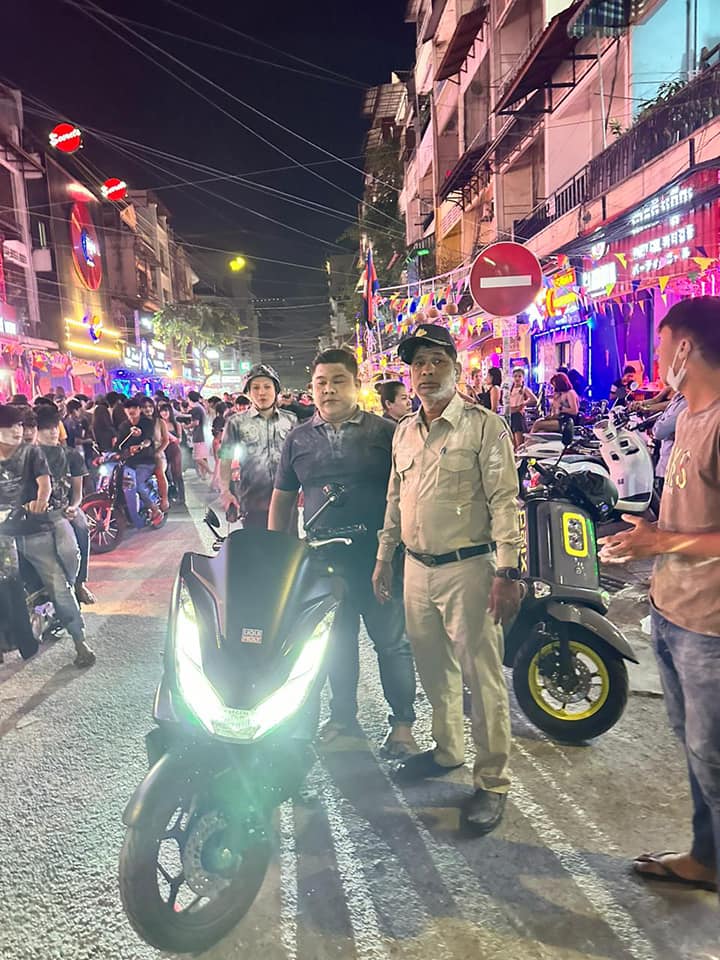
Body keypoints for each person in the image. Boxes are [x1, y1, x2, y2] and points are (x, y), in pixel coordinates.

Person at [372, 323, 523, 835]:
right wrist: (384, 557)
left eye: (437, 361)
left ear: (456, 368)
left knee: (482, 679)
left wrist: (508, 569)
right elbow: (394, 499)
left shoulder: (483, 426)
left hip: (470, 570)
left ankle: (493, 781)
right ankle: (448, 750)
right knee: (434, 670)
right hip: (416, 569)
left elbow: (504, 501)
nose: (427, 371)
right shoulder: (403, 431)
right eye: (418, 364)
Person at [600, 296, 720, 895]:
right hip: (671, 611)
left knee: (713, 756)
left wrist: (660, 542)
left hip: (711, 627)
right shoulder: (686, 416)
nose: (653, 356)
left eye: (659, 343)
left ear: (685, 347)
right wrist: (648, 537)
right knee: (697, 752)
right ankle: (707, 858)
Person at [268, 348, 417, 758]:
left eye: (338, 381)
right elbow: (283, 499)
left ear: (357, 385)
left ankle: (403, 725)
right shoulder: (298, 439)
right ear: (312, 388)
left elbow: (408, 494)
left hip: (379, 558)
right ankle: (343, 718)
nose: (329, 390)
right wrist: (278, 554)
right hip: (323, 562)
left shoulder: (387, 433)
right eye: (321, 383)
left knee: (391, 642)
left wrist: (400, 550)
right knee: (336, 643)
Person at [0, 403, 95, 666]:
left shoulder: (33, 454)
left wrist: (40, 501)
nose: (17, 431)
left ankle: (79, 641)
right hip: (4, 534)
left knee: (58, 584)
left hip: (33, 529)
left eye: (19, 425)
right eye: (10, 426)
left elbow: (45, 483)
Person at [219, 364, 297, 529]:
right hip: (252, 502)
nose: (262, 392)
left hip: (287, 502)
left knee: (289, 544)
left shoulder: (291, 420)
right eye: (255, 388)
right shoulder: (235, 422)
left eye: (267, 387)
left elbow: (299, 458)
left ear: (276, 391)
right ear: (248, 392)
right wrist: (225, 491)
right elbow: (225, 458)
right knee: (256, 544)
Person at [35, 404, 96, 605]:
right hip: (37, 512)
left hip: (64, 509)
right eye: (46, 428)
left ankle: (79, 583)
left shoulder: (71, 455)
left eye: (55, 426)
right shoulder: (28, 456)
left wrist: (73, 507)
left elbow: (78, 492)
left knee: (82, 527)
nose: (52, 432)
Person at [117, 398, 163, 530]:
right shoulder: (124, 426)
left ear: (139, 409)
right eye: (128, 408)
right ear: (125, 410)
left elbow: (148, 439)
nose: (131, 410)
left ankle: (155, 509)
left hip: (145, 461)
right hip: (129, 463)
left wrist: (141, 445)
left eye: (134, 408)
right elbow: (119, 444)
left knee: (136, 484)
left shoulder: (146, 423)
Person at [653, 391, 688, 497]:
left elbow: (660, 431)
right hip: (664, 466)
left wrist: (662, 421)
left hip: (673, 469)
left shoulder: (686, 403)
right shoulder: (678, 397)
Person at [140, 396, 170, 512]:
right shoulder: (138, 422)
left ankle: (165, 499)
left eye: (150, 406)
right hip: (143, 455)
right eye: (145, 407)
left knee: (159, 472)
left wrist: (158, 451)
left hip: (158, 454)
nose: (148, 409)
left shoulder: (160, 422)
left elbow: (166, 440)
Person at [158, 402, 185, 504]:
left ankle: (181, 496)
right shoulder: (158, 424)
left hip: (174, 450)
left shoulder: (176, 424)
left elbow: (179, 440)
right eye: (162, 411)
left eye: (166, 411)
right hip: (162, 450)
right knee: (164, 473)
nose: (164, 413)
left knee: (177, 473)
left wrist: (168, 434)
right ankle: (168, 495)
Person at [508, 368, 538, 449]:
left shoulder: (524, 389)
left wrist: (522, 404)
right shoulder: (510, 389)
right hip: (510, 415)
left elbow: (534, 399)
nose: (517, 378)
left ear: (523, 378)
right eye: (515, 376)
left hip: (518, 415)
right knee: (512, 443)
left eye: (519, 376)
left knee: (519, 443)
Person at [187, 390, 211, 480]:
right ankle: (204, 475)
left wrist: (186, 426)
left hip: (199, 436)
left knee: (197, 457)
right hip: (204, 434)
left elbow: (196, 422)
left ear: (189, 399)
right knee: (203, 457)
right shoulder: (201, 407)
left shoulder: (196, 409)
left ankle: (211, 472)